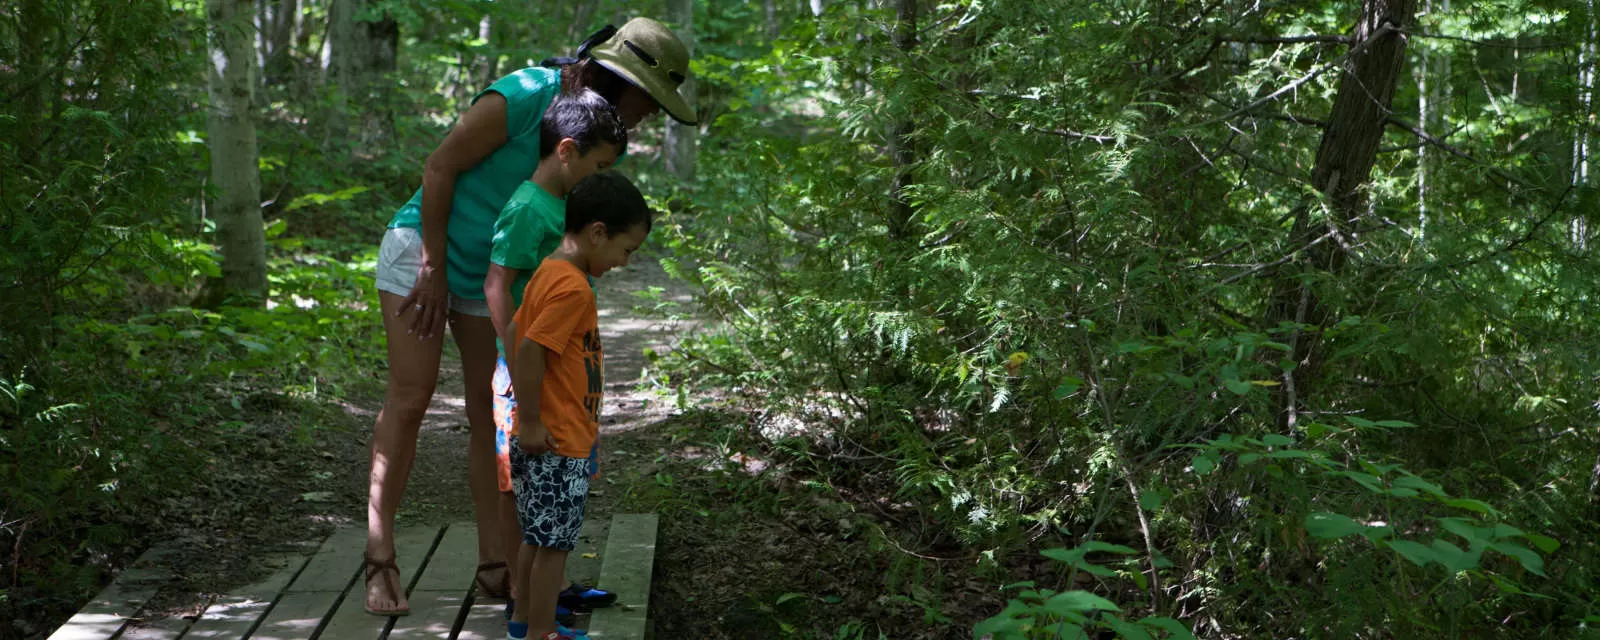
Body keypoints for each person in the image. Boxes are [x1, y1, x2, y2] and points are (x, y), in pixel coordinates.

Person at [365, 17, 695, 616]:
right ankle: (379, 560)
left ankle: (498, 568)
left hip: (490, 273)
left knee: (488, 420)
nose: (650, 116)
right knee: (410, 398)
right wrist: (433, 267)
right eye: (650, 100)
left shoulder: (592, 137)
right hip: (424, 252)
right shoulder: (523, 95)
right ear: (620, 80)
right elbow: (439, 167)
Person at [484, 89, 624, 627]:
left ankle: (545, 596)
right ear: (567, 151)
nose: (598, 177)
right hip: (527, 375)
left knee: (547, 507)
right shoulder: (527, 208)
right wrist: (516, 364)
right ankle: (530, 601)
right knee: (526, 494)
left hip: (546, 367)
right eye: (599, 166)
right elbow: (498, 285)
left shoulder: (561, 211)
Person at [504, 171, 653, 640]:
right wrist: (531, 419)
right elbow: (530, 349)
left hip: (545, 434)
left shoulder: (547, 273)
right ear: (596, 232)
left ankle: (524, 622)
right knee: (555, 547)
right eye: (625, 250)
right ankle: (542, 632)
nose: (624, 262)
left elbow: (513, 333)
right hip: (556, 439)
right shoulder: (573, 287)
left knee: (537, 537)